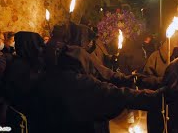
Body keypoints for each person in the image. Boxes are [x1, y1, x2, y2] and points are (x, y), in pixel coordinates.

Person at [38, 22, 169, 133]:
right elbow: (109, 92)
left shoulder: (59, 72)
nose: (90, 45)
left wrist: (138, 80)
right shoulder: (74, 80)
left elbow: (107, 75)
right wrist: (155, 97)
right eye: (88, 41)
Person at [0, 31, 45, 133]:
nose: (15, 45)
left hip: (23, 114)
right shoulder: (37, 63)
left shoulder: (19, 64)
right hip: (24, 114)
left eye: (17, 42)